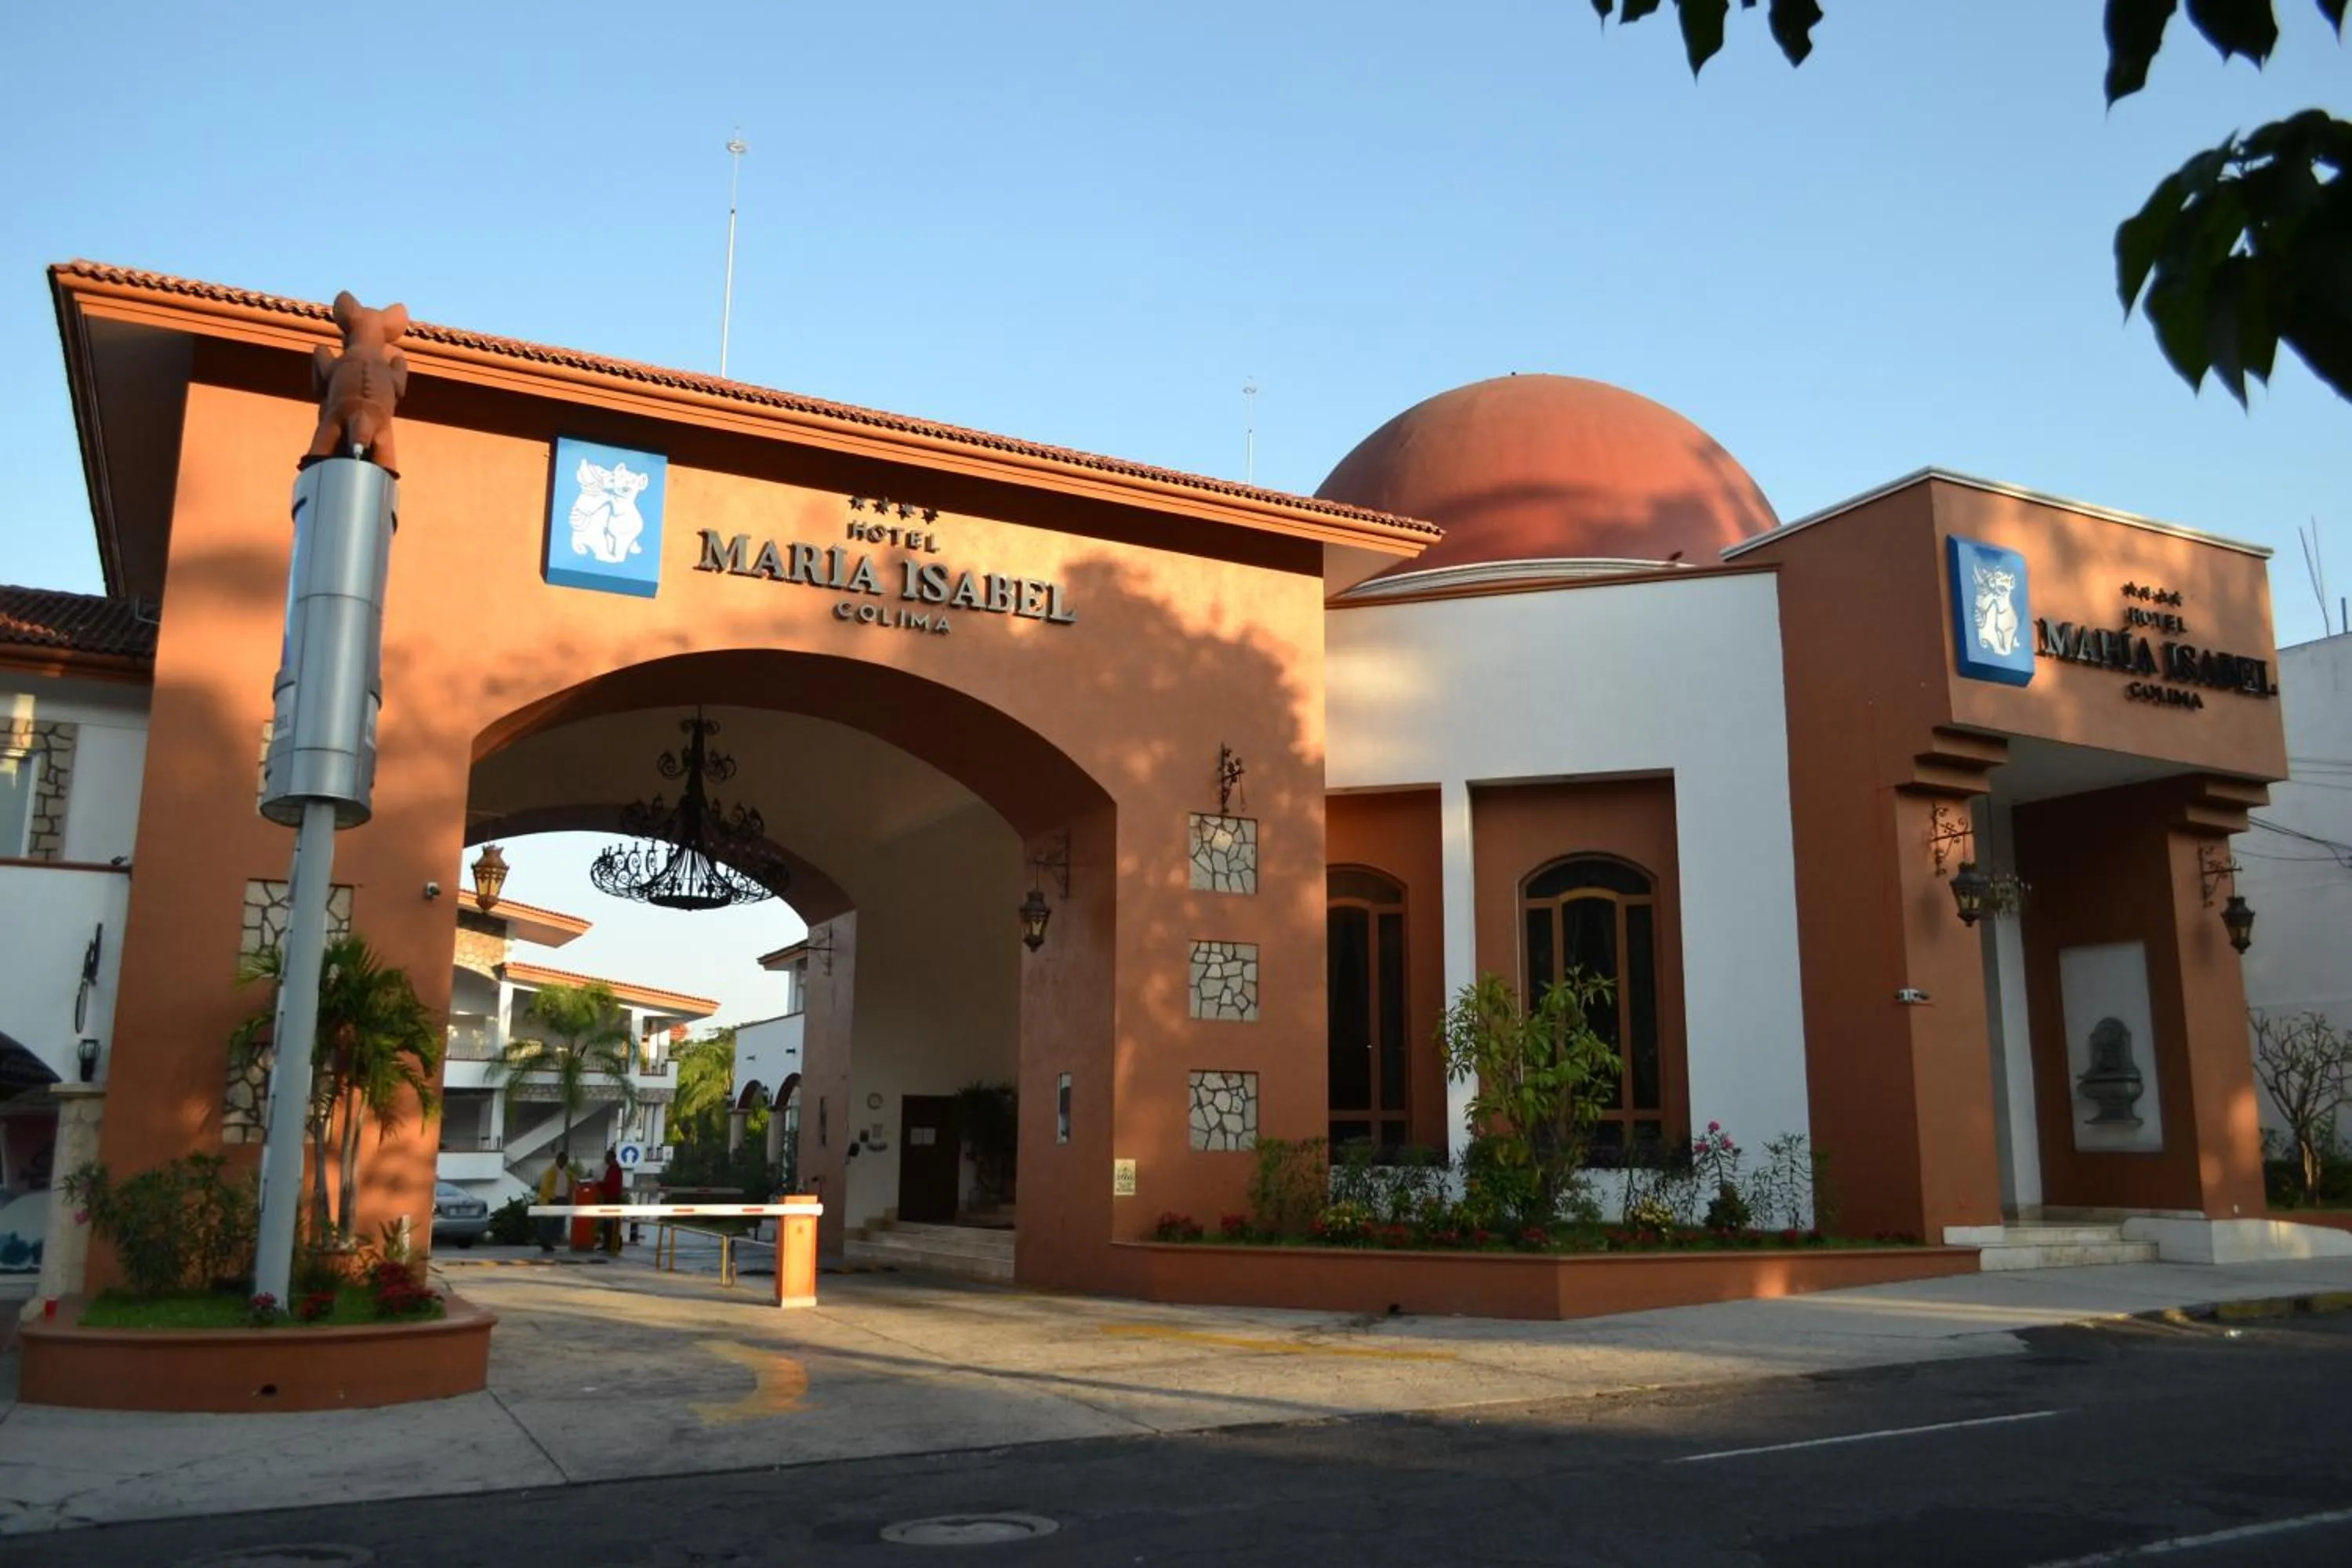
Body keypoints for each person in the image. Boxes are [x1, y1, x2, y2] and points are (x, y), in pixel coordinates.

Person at [534, 1157, 567, 1254]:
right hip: (550, 1201)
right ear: (558, 1161)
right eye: (563, 1161)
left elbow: (571, 1177)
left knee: (558, 1224)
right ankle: (546, 1243)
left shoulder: (564, 1171)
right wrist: (553, 1197)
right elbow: (544, 1187)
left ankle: (548, 1242)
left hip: (560, 1200)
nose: (564, 1164)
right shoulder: (550, 1172)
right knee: (547, 1223)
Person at [600, 1147, 626, 1254]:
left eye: (606, 1157)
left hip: (612, 1199)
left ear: (610, 1158)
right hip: (611, 1198)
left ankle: (612, 1243)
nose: (605, 1159)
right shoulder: (614, 1168)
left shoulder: (614, 1169)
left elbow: (609, 1184)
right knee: (609, 1223)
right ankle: (609, 1243)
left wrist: (598, 1185)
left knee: (610, 1223)